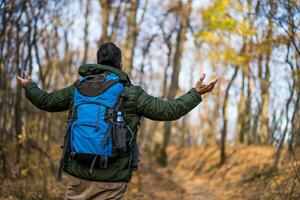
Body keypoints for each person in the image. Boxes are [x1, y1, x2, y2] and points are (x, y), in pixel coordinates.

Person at [17, 42, 218, 200]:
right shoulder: (130, 93)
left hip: (77, 175)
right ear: (120, 65)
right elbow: (168, 111)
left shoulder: (77, 88)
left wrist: (29, 85)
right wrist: (195, 92)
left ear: (98, 62)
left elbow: (45, 101)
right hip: (111, 179)